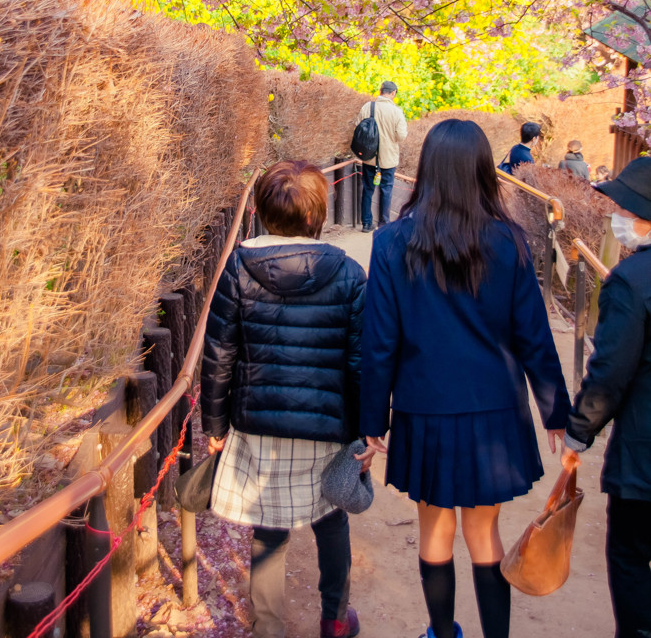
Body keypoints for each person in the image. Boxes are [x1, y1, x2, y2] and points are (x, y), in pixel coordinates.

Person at [358, 119, 570, 638]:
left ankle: (441, 632)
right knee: (484, 531)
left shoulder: (390, 244)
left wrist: (371, 419)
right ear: (481, 170)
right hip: (495, 409)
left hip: (423, 407)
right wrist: (556, 412)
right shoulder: (510, 241)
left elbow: (379, 342)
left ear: (427, 169)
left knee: (434, 527)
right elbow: (533, 337)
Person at [200, 160, 367, 638]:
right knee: (331, 520)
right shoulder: (350, 274)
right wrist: (365, 431)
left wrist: (214, 427)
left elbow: (219, 353)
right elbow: (360, 364)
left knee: (269, 528)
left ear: (260, 211)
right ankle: (334, 618)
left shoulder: (239, 267)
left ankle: (268, 627)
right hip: (327, 425)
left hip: (258, 422)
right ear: (319, 215)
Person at [563, 155, 651, 638]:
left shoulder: (632, 284)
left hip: (644, 456)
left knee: (631, 557)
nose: (615, 218)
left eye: (623, 209)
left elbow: (610, 373)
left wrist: (579, 432)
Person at [356, 81, 407, 232]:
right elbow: (402, 136)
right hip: (388, 159)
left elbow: (358, 126)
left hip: (369, 156)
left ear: (380, 91)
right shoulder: (396, 112)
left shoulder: (367, 107)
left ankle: (366, 223)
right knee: (386, 190)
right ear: (393, 93)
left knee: (367, 189)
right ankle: (384, 224)